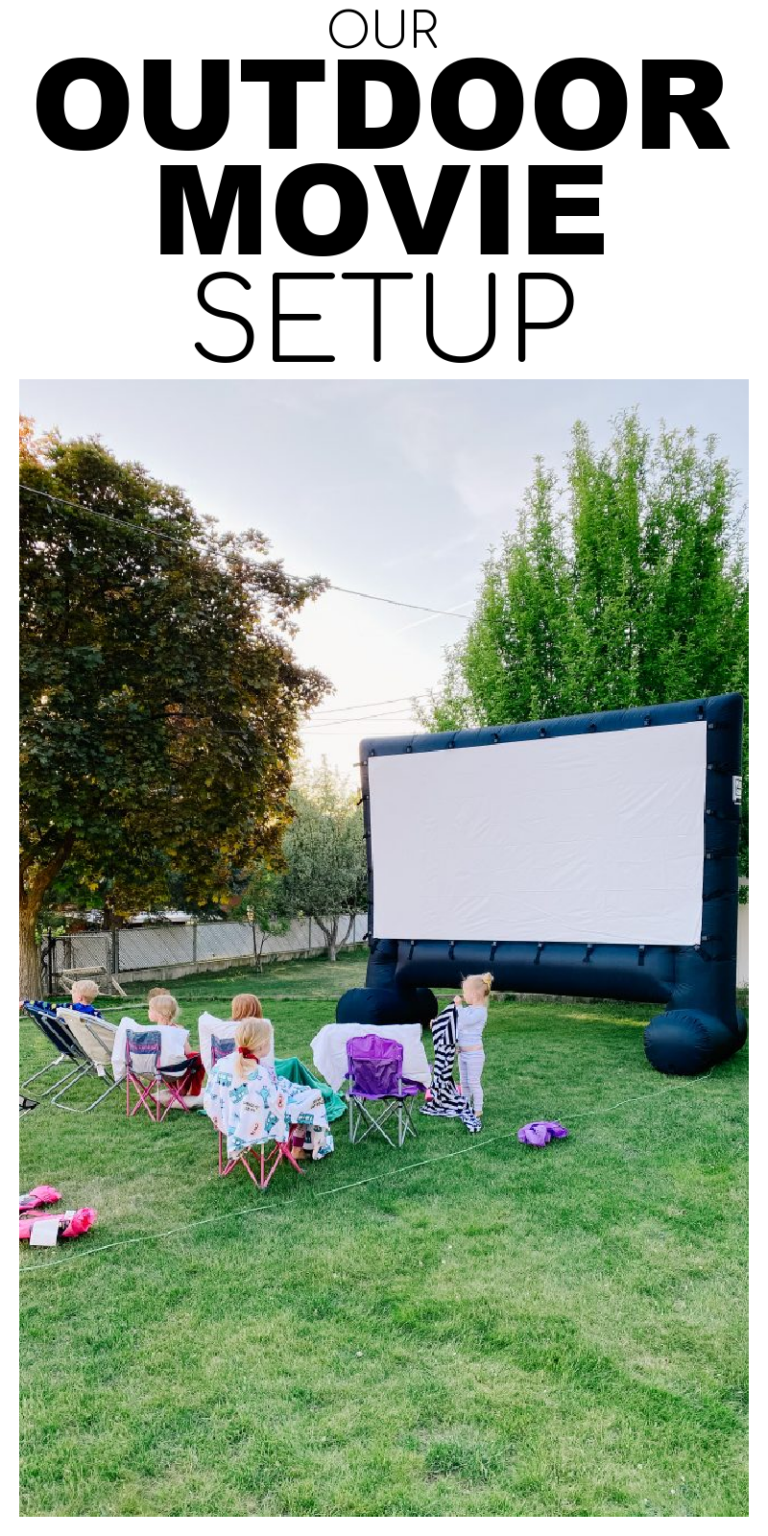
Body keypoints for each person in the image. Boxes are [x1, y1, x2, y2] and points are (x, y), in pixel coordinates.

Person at [205, 1014, 333, 1162]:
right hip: (261, 1121)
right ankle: (298, 1149)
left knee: (303, 1093)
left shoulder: (222, 1064)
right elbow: (276, 1104)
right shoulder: (260, 1074)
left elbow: (211, 1095)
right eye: (268, 1041)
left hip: (229, 1119)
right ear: (261, 1045)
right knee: (313, 1097)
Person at [147, 992, 206, 1102]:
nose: (148, 1011)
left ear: (160, 1014)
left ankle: (176, 1087)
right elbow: (187, 1051)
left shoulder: (149, 1032)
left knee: (174, 1058)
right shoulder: (178, 1030)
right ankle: (190, 1089)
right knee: (195, 1058)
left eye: (150, 1009)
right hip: (172, 1068)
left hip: (151, 1069)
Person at [453, 971, 493, 1120]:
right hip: (463, 1053)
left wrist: (458, 1006)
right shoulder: (469, 1009)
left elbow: (465, 1021)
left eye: (465, 992)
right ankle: (465, 1104)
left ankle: (478, 1108)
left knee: (473, 1082)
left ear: (475, 994)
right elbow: (459, 1026)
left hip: (475, 1054)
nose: (463, 996)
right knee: (464, 1082)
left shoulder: (481, 1012)